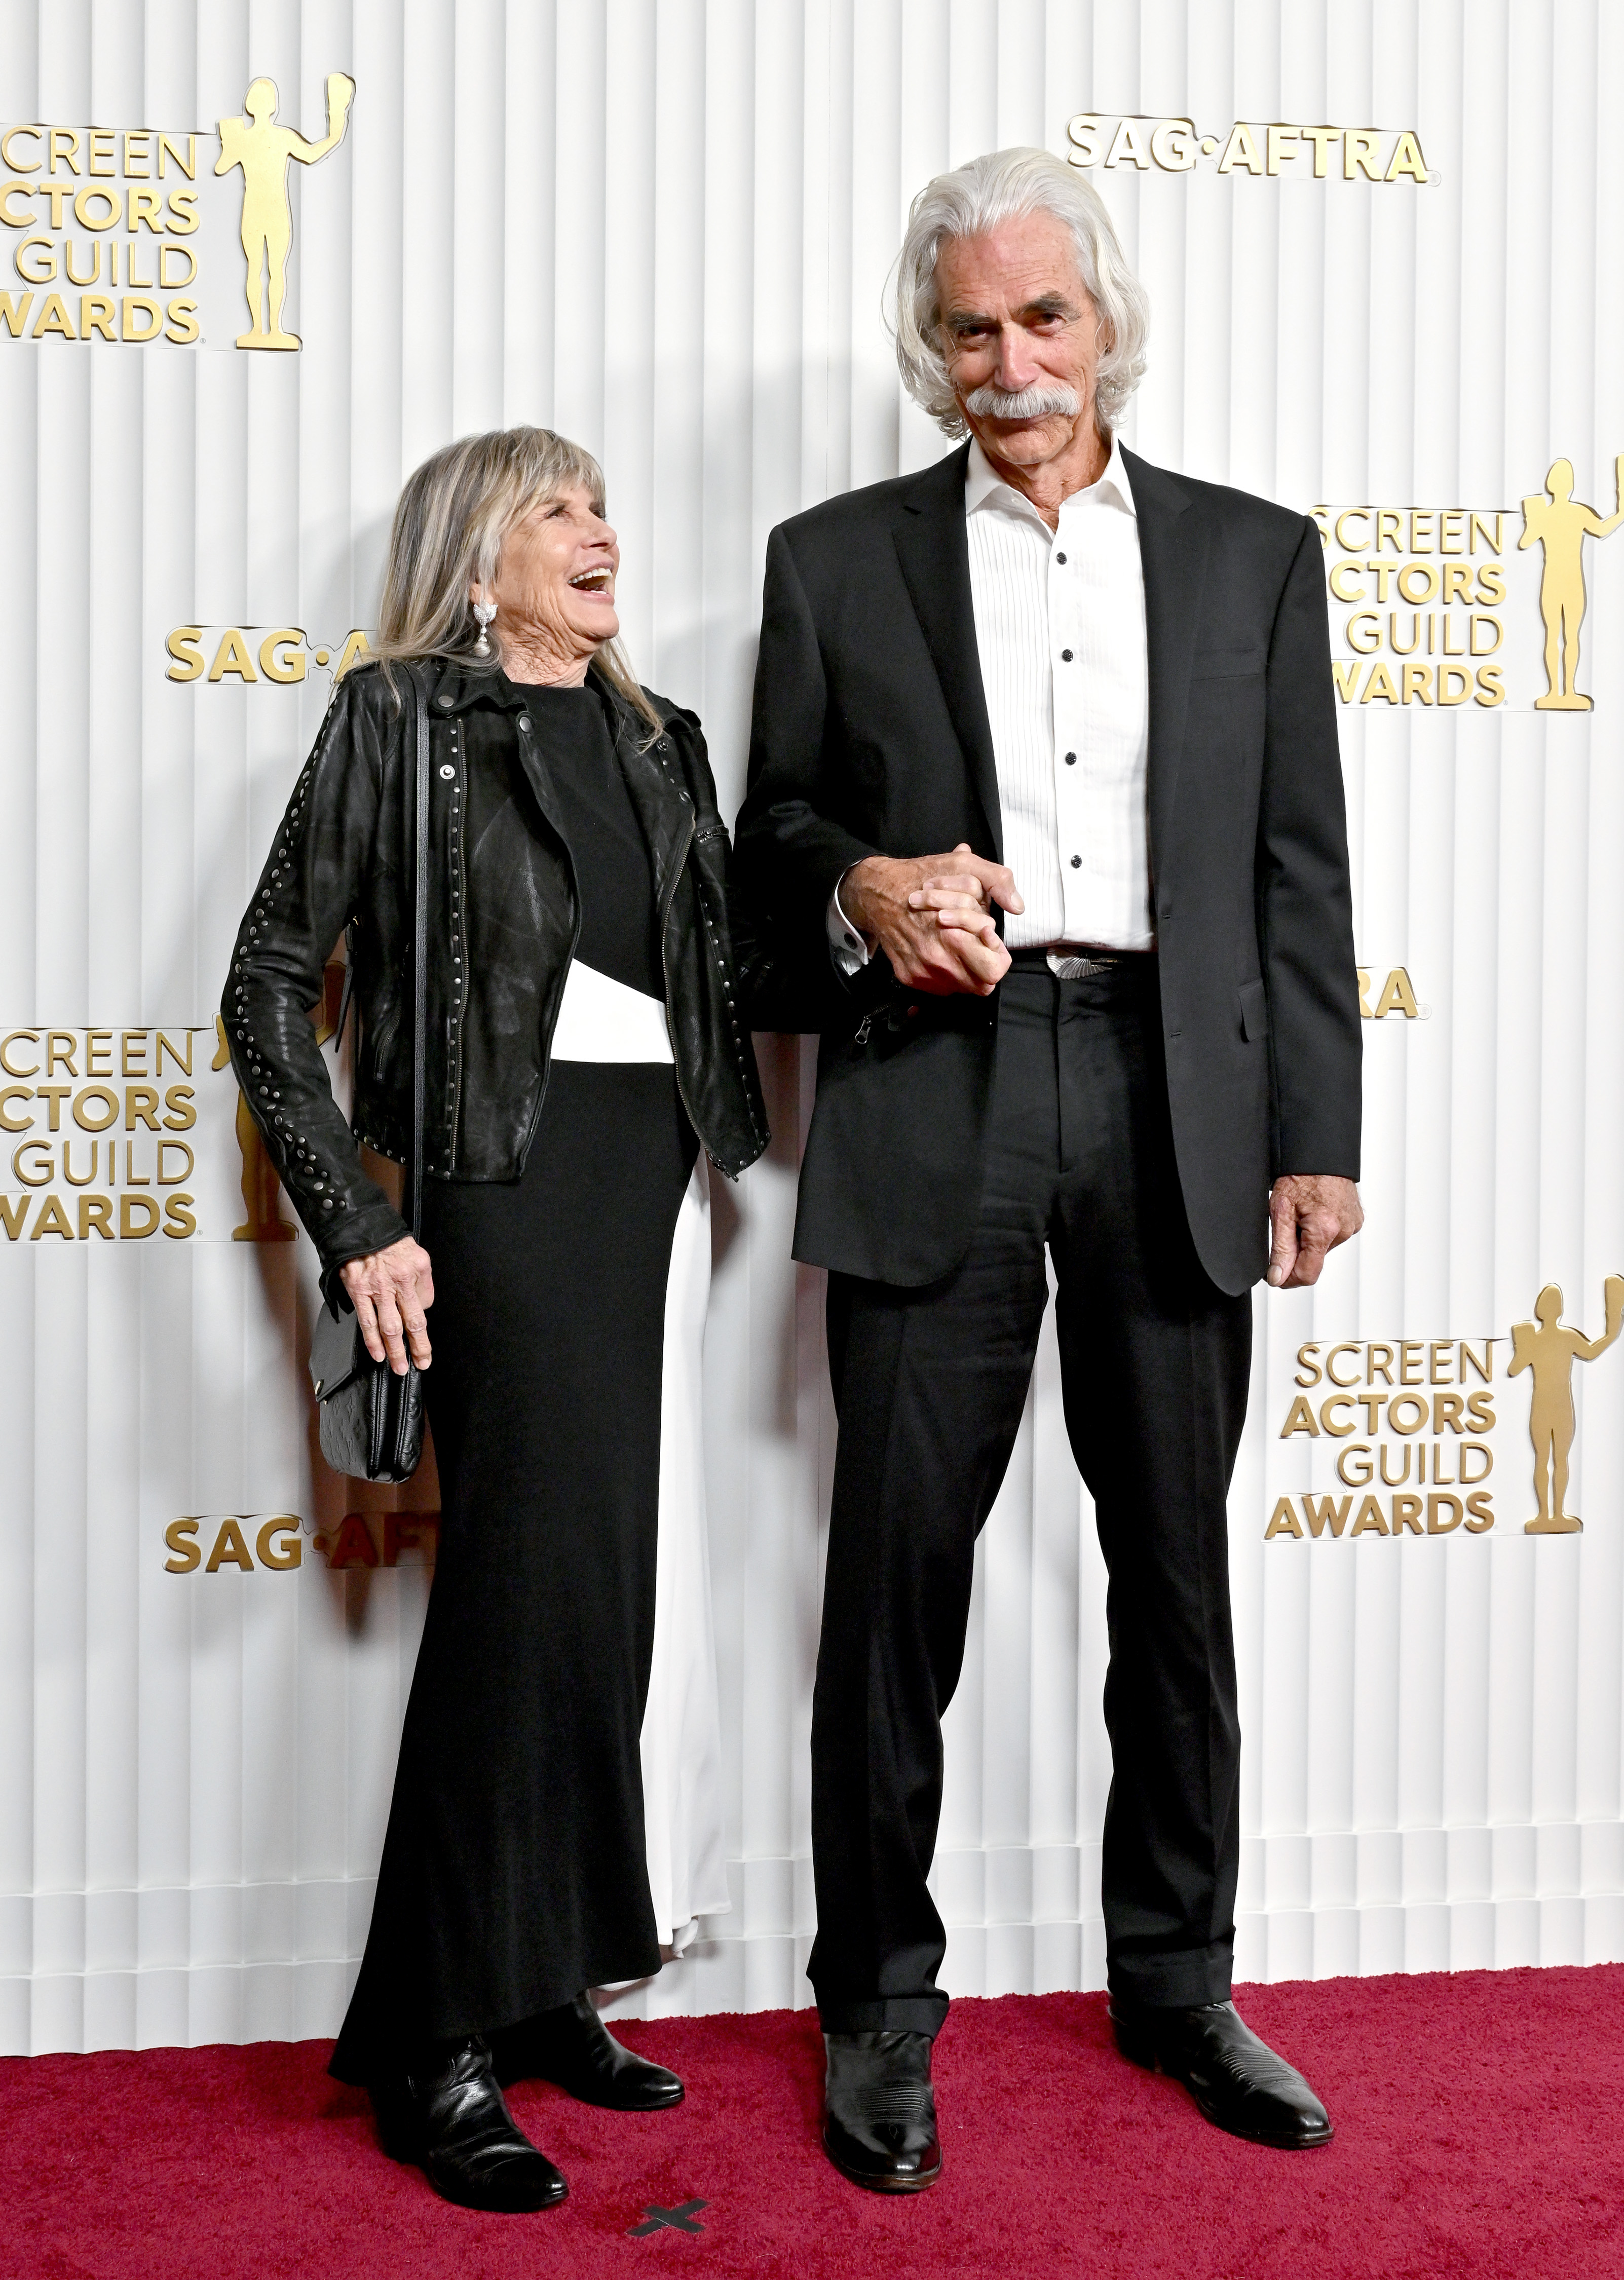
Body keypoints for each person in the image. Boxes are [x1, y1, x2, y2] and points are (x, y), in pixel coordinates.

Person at [736, 147, 1364, 2192]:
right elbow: (768, 859)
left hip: (1180, 1099)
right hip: (939, 1089)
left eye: (1040, 317)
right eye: (967, 328)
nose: (1006, 360)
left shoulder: (1256, 555)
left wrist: (1315, 1139)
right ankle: (877, 2007)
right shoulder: (832, 560)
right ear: (928, 349)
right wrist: (863, 887)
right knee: (893, 1587)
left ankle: (1179, 1982)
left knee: (1175, 1587)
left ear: (1106, 322)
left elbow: (1293, 869)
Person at [225, 426, 770, 2213]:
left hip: (652, 1183)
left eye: (603, 500)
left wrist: (871, 908)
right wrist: (360, 1219)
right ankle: (429, 2029)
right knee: (521, 1592)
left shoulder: (660, 736)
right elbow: (268, 983)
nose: (600, 527)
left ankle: (547, 1979)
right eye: (555, 505)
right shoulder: (403, 719)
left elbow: (726, 968)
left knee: (604, 1592)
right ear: (477, 553)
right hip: (500, 1184)